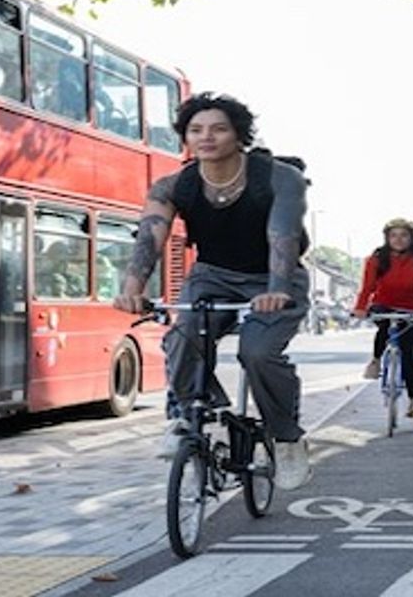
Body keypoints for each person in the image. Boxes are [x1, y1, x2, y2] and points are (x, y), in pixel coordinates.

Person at [112, 92, 312, 490]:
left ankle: (287, 438)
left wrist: (275, 290)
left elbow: (283, 236)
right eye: (196, 130)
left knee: (256, 352)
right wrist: (132, 289)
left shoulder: (278, 177)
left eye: (219, 129)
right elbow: (150, 239)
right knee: (183, 336)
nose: (207, 137)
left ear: (239, 136)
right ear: (185, 137)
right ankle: (188, 415)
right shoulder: (174, 186)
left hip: (274, 276)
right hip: (212, 275)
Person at [353, 219, 413, 420]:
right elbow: (367, 286)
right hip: (383, 302)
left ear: (412, 238)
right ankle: (375, 361)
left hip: (410, 307)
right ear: (387, 238)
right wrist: (360, 307)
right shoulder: (376, 259)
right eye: (394, 235)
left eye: (404, 235)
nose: (398, 240)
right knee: (383, 327)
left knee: (408, 353)